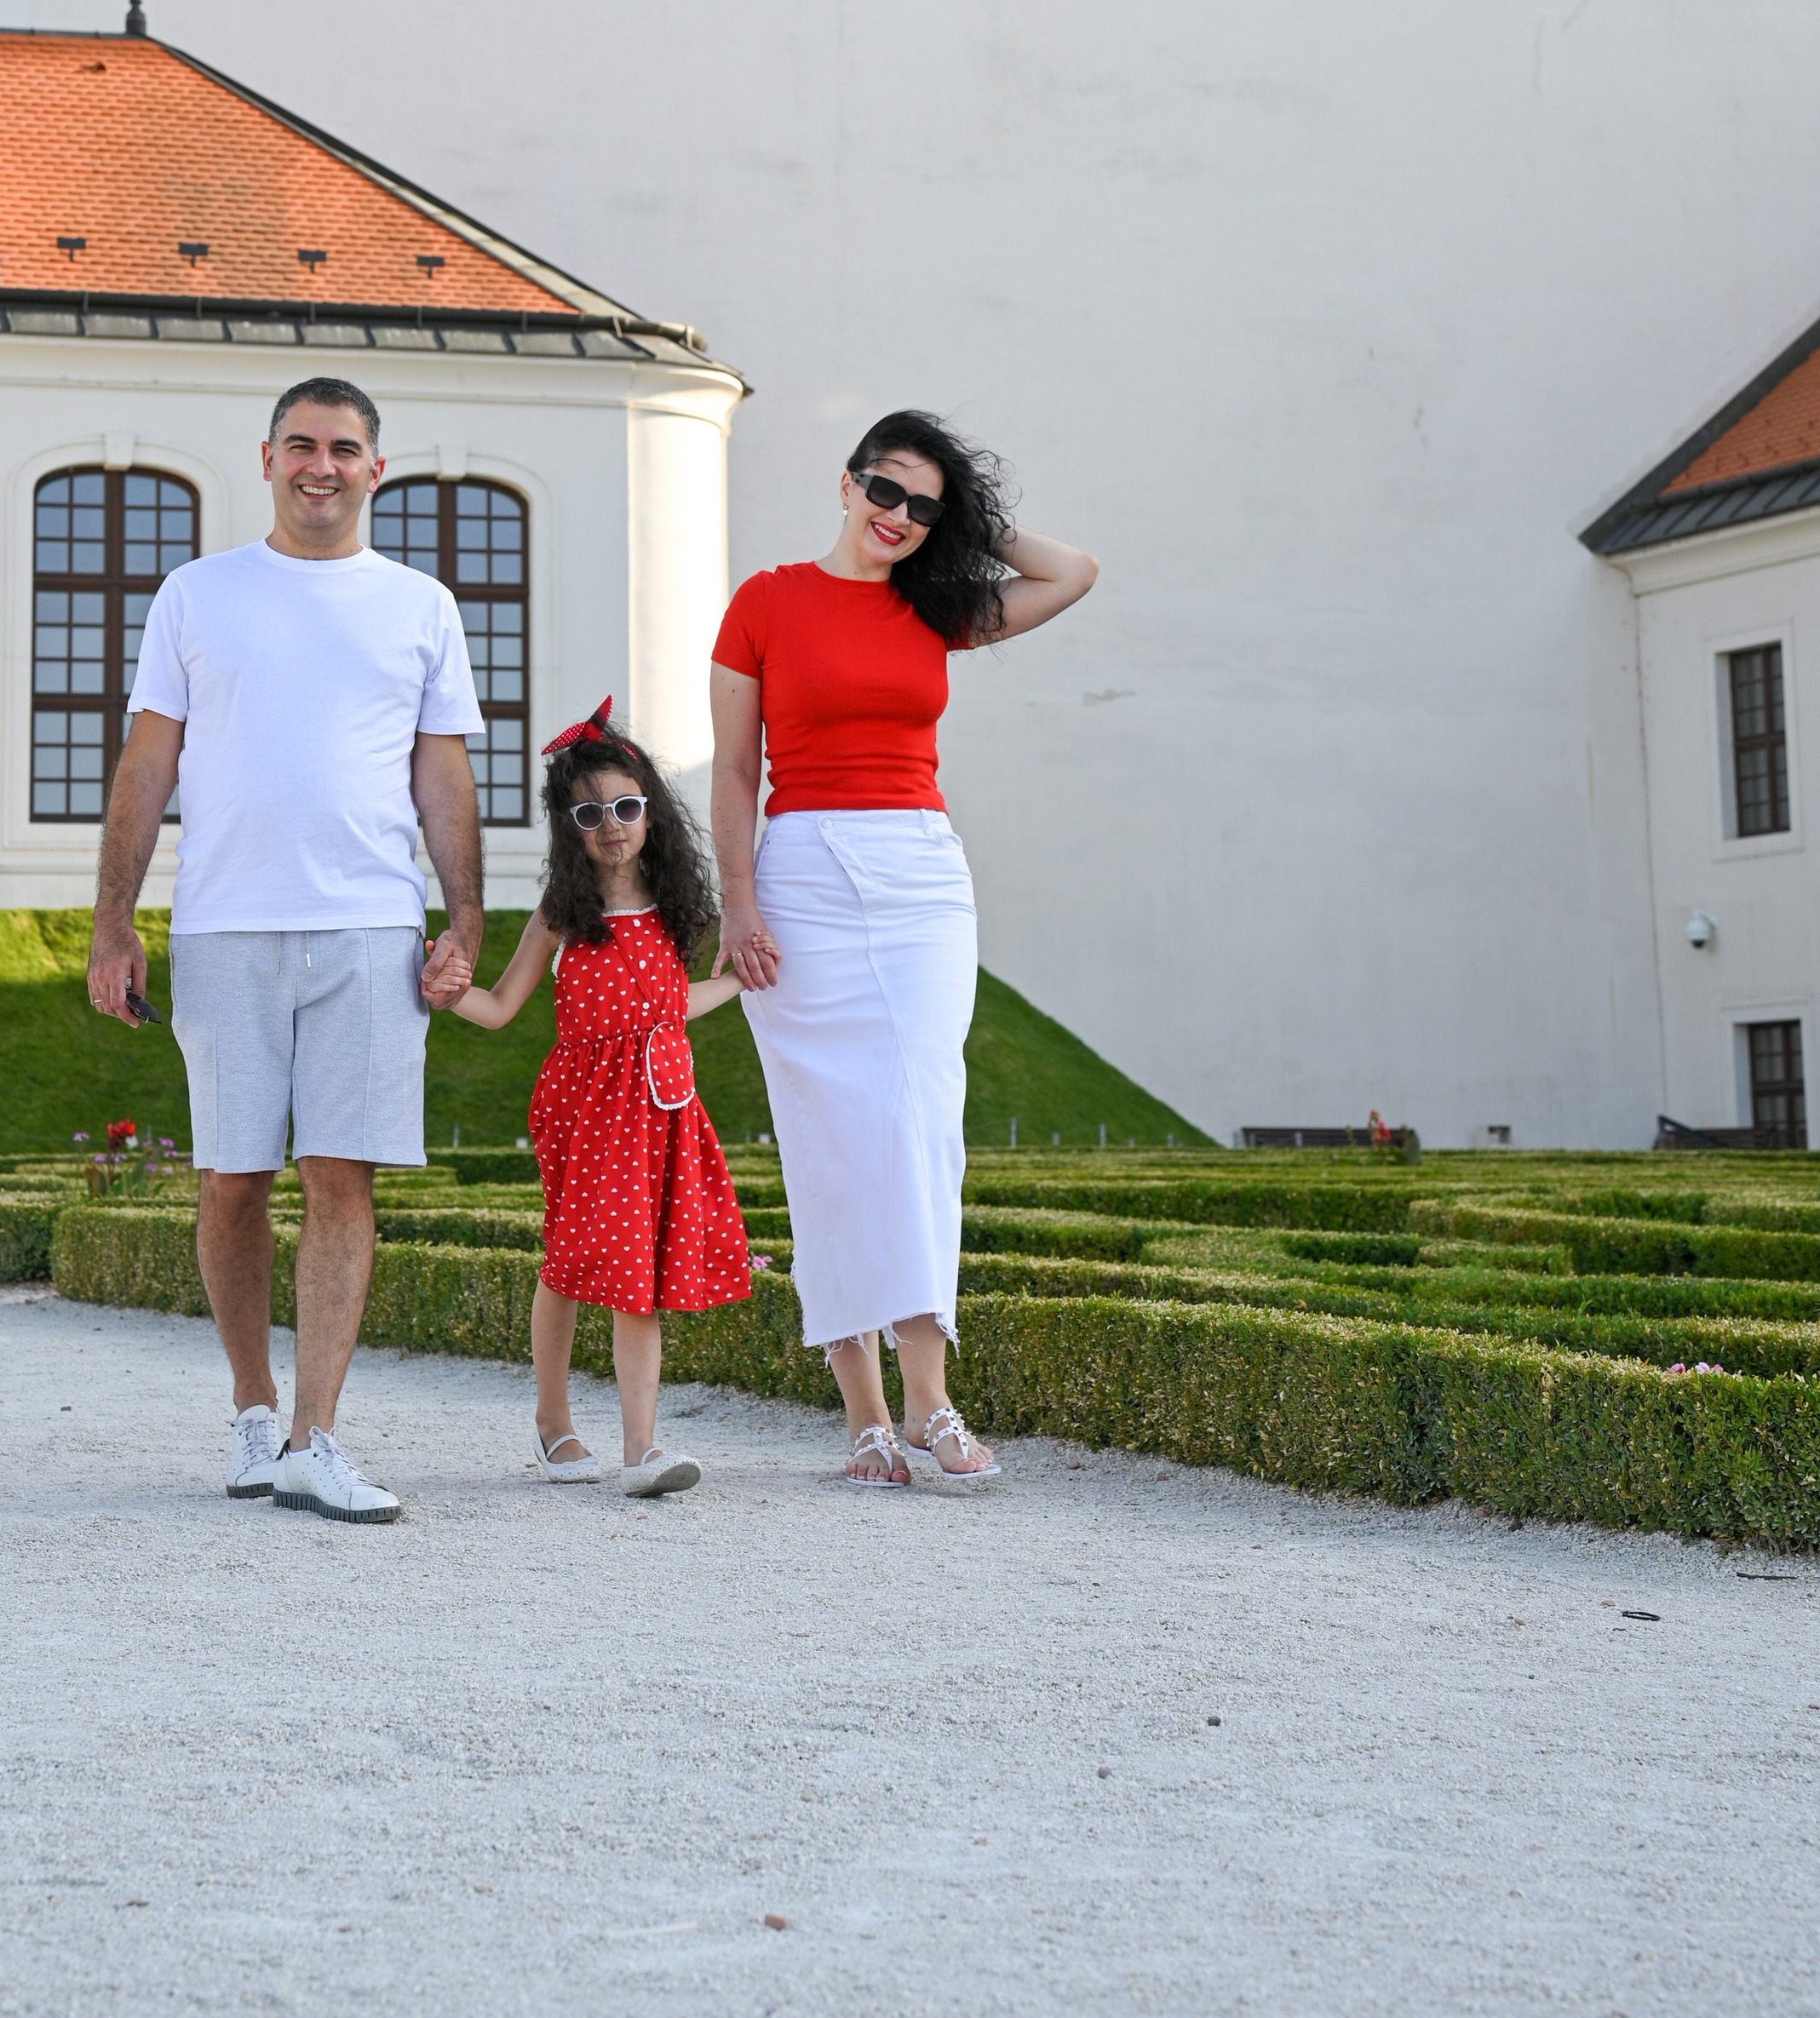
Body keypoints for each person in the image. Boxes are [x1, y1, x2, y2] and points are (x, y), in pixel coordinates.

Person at [87, 376, 485, 1525]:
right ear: (266, 460)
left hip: (369, 921)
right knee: (231, 1179)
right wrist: (115, 923)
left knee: (342, 1174)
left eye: (345, 448)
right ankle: (255, 1410)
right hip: (224, 920)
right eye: (302, 445)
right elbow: (146, 766)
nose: (323, 464)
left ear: (375, 469)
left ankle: (317, 1437)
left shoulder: (420, 605)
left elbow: (443, 775)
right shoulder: (197, 595)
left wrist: (463, 922)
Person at [710, 413, 1098, 1489]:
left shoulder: (939, 606)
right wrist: (738, 905)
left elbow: (1074, 571)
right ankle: (865, 1416)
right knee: (829, 1133)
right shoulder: (766, 600)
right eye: (886, 489)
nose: (899, 516)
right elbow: (737, 772)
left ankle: (930, 1399)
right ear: (845, 481)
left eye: (926, 505)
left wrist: (968, 521)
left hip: (921, 872)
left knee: (922, 1116)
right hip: (798, 871)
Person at [454, 698, 751, 1497]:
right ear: (569, 826)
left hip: (663, 1109)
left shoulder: (675, 909)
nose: (612, 825)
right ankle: (555, 1424)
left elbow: (669, 1005)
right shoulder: (561, 916)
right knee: (571, 1264)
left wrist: (734, 980)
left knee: (639, 1273)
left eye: (626, 806)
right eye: (592, 813)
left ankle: (641, 1449)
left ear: (649, 812)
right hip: (586, 1114)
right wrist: (448, 991)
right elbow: (499, 1007)